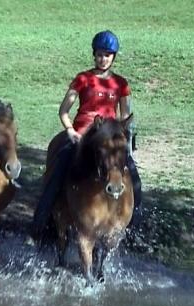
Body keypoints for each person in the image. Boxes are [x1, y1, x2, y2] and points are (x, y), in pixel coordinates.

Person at [32, 30, 142, 237]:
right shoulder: (83, 79)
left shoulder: (121, 84)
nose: (103, 59)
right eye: (100, 54)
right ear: (94, 55)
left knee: (133, 176)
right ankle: (40, 220)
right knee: (57, 171)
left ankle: (135, 222)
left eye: (107, 55)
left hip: (109, 138)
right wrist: (71, 131)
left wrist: (123, 137)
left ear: (113, 57)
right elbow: (63, 111)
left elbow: (125, 116)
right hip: (82, 136)